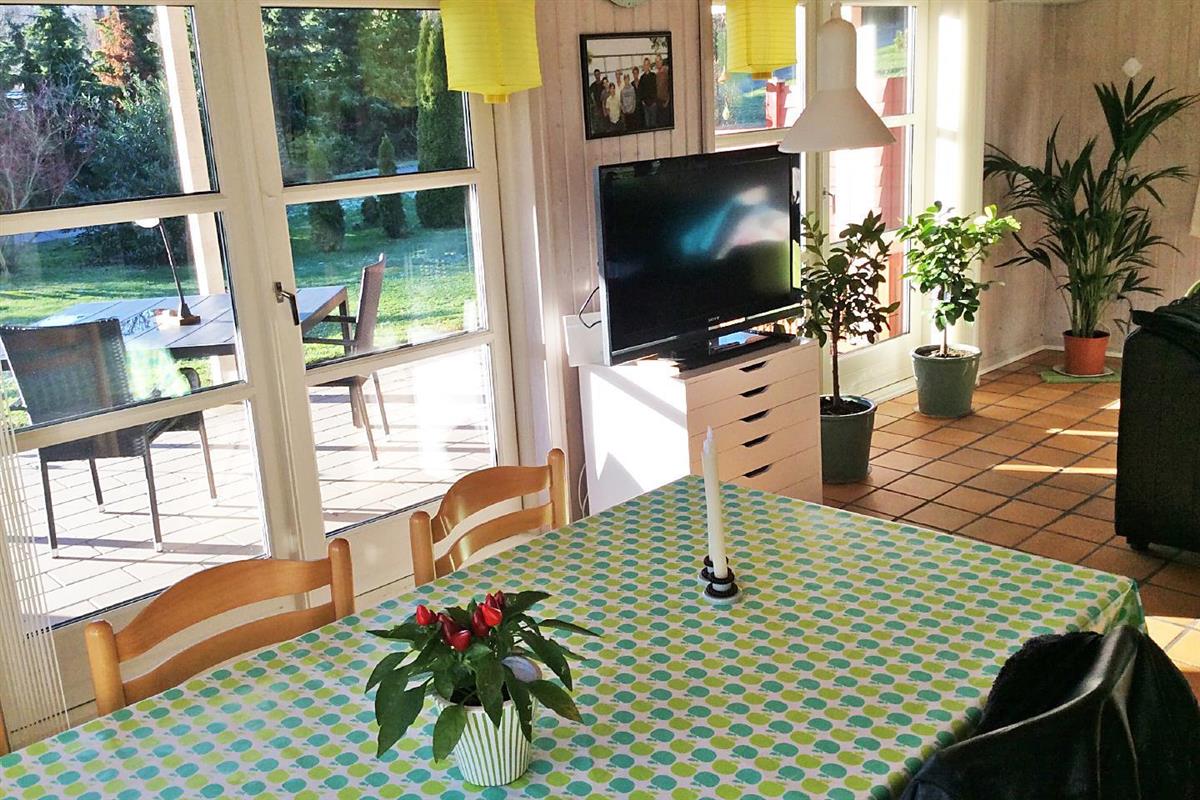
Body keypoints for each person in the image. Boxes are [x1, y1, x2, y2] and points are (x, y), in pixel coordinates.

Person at [638, 57, 658, 128]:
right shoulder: (642, 78)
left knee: (653, 123)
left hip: (653, 104)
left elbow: (656, 88)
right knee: (647, 124)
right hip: (645, 105)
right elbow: (640, 91)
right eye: (645, 64)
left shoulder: (653, 76)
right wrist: (642, 101)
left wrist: (655, 101)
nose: (646, 66)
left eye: (647, 64)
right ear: (643, 66)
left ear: (649, 65)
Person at [655, 55, 671, 127]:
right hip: (658, 102)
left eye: (659, 61)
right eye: (656, 62)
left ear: (662, 61)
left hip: (666, 102)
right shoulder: (656, 74)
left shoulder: (667, 71)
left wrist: (668, 100)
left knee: (666, 122)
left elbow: (670, 86)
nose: (657, 63)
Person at [588, 68, 605, 134]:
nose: (597, 76)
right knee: (598, 125)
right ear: (594, 76)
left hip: (604, 107)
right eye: (595, 75)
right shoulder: (593, 85)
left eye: (598, 74)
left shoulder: (603, 84)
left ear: (600, 74)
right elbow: (589, 95)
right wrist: (593, 103)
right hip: (597, 108)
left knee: (604, 124)